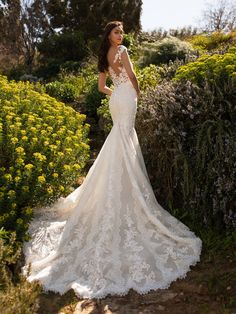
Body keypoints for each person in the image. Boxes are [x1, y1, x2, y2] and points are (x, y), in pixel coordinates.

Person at [21, 20, 202, 300]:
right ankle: (127, 188)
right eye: (117, 32)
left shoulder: (104, 56)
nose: (121, 35)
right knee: (125, 139)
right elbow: (132, 76)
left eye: (122, 32)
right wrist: (136, 93)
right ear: (109, 34)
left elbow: (101, 87)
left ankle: (120, 185)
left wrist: (116, 92)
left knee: (119, 139)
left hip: (116, 98)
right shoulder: (124, 51)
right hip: (127, 98)